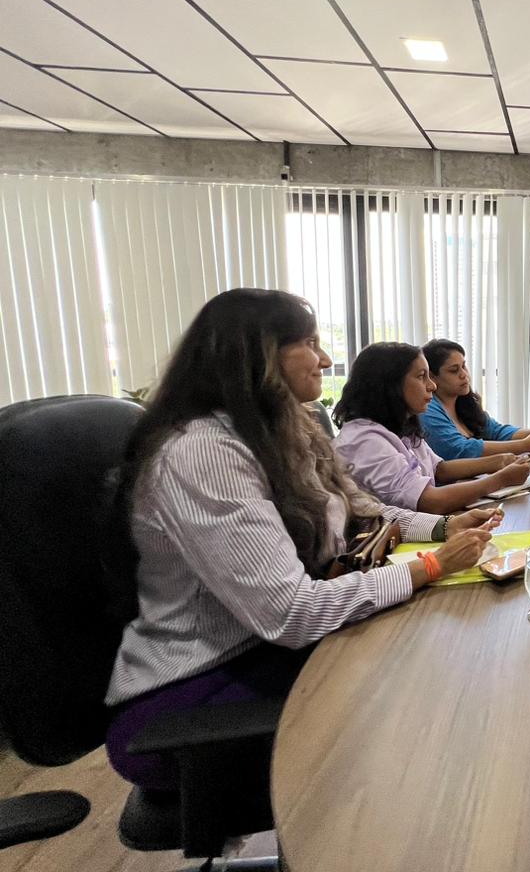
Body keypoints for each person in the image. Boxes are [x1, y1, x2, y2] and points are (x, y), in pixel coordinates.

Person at [104, 289, 498, 791]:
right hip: (196, 693)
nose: (327, 359)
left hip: (269, 652)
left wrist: (444, 528)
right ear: (261, 354)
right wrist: (429, 567)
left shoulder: (282, 428)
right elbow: (290, 613)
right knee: (426, 700)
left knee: (434, 660)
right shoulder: (204, 453)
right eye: (311, 343)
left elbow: (362, 513)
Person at [334, 342, 530, 513]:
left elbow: (439, 468)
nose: (432, 386)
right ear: (390, 385)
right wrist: (500, 479)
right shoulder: (365, 441)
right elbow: (430, 501)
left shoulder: (400, 423)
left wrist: (500, 461)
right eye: (422, 377)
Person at [420, 338, 530, 460]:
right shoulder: (427, 408)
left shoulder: (465, 403)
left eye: (464, 366)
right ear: (432, 377)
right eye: (454, 370)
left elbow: (496, 431)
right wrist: (525, 445)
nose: (464, 374)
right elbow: (458, 449)